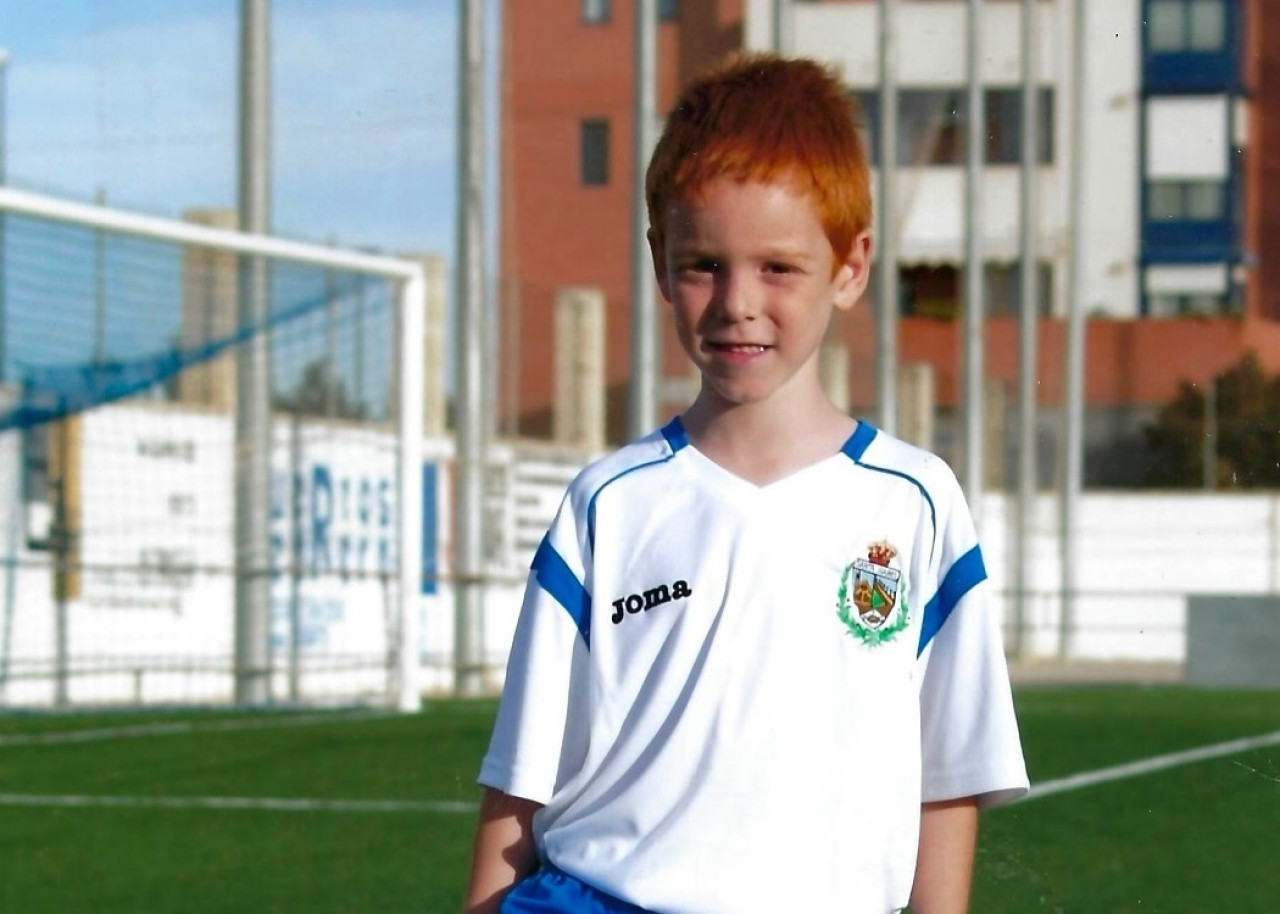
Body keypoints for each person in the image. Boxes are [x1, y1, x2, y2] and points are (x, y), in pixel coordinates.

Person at [465, 52, 1028, 914]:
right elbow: (520, 781)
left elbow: (948, 773)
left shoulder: (914, 503)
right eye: (704, 265)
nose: (737, 302)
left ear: (849, 266)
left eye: (778, 267)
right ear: (660, 263)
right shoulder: (608, 504)